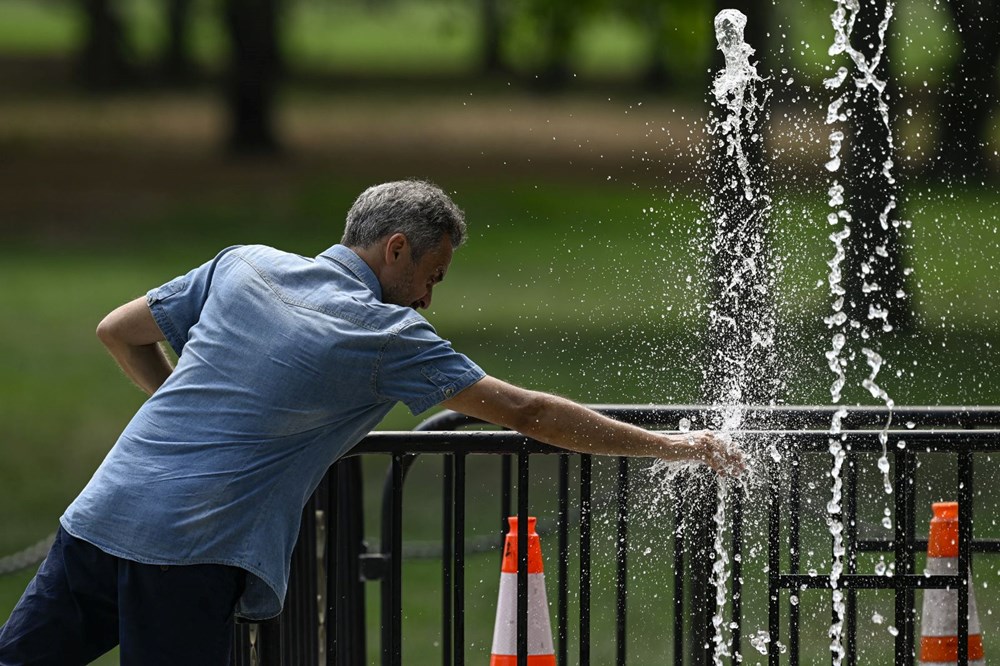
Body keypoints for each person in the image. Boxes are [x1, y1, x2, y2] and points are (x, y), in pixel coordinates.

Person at [0, 180, 743, 665]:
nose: (427, 298)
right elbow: (526, 412)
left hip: (102, 514)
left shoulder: (244, 265)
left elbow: (118, 331)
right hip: (192, 550)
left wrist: (183, 411)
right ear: (396, 250)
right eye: (432, 275)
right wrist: (671, 444)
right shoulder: (385, 338)